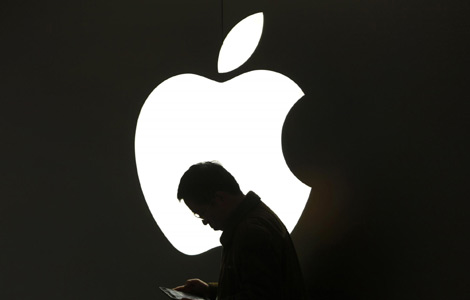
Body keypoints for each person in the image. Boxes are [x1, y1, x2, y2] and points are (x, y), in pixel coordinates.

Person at [174, 161, 306, 300]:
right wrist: (210, 291)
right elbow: (259, 287)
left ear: (219, 199)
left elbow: (260, 296)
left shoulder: (251, 232)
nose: (204, 221)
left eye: (201, 213)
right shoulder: (257, 219)